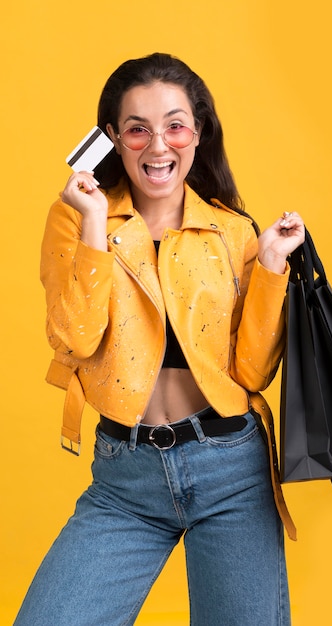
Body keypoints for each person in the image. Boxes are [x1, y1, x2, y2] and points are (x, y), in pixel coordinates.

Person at [14, 52, 305, 626]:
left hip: (232, 469)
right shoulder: (73, 219)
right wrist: (96, 225)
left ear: (197, 134)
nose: (157, 146)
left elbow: (249, 375)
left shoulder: (232, 230)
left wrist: (270, 266)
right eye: (137, 129)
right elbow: (73, 337)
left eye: (174, 125)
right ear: (113, 140)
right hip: (126, 476)